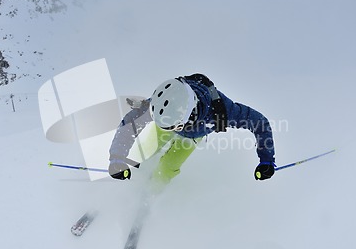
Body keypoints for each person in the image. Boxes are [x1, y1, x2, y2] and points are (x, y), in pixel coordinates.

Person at [107, 73, 275, 189]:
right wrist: (117, 158)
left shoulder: (222, 111)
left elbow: (260, 123)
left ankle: (153, 190)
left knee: (167, 168)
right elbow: (129, 124)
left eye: (170, 126)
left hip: (192, 136)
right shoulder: (166, 100)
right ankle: (136, 171)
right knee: (141, 153)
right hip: (176, 125)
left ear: (184, 120)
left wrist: (266, 160)